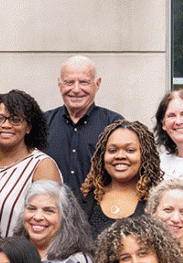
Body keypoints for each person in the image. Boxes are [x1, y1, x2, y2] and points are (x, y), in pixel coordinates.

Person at [0, 91, 61, 237]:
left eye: (15, 119)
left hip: (17, 257)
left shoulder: (42, 166)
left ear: (29, 127)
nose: (6, 125)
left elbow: (51, 224)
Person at [45, 57, 124, 194]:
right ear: (59, 85)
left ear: (97, 84)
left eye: (84, 82)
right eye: (69, 82)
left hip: (98, 212)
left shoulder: (114, 124)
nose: (76, 89)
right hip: (52, 212)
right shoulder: (43, 123)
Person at [82, 121, 163, 236]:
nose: (120, 156)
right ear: (102, 156)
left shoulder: (159, 201)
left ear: (145, 155)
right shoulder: (86, 200)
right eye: (112, 150)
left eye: (130, 150)